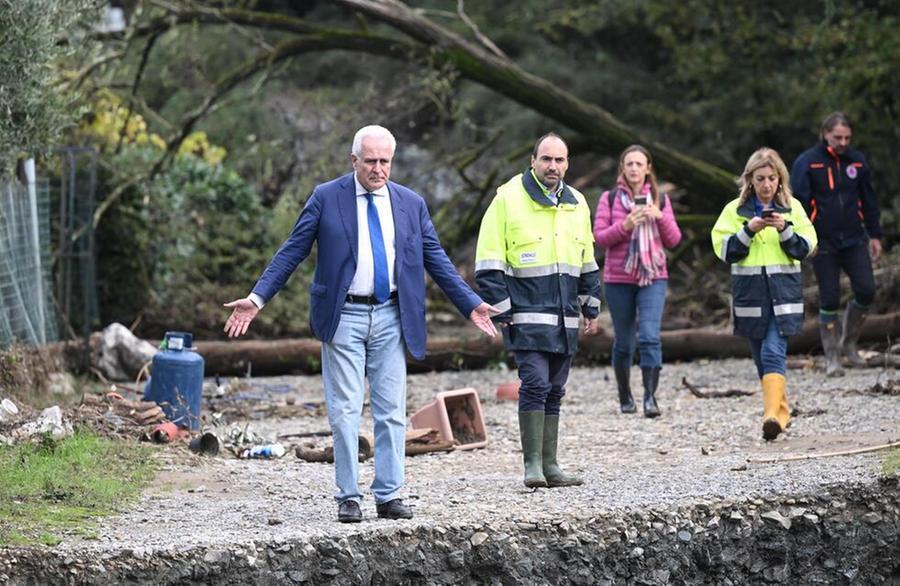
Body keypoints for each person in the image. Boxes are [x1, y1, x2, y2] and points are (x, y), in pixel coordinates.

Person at [223, 125, 498, 523]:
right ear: (354, 160)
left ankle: (388, 495)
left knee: (390, 412)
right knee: (346, 410)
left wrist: (470, 304)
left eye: (385, 161)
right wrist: (257, 297)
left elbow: (435, 258)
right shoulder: (326, 197)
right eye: (370, 161)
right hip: (344, 316)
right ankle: (348, 496)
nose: (378, 169)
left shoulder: (410, 203)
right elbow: (292, 251)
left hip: (391, 315)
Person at [475, 133, 601, 488]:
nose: (553, 167)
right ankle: (532, 466)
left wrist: (591, 303)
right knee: (534, 383)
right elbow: (487, 262)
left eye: (560, 160)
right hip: (526, 315)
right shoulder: (507, 199)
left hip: (565, 317)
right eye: (546, 159)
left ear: (567, 164)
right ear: (533, 161)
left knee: (556, 388)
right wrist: (502, 310)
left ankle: (551, 465)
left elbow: (586, 259)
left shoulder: (577, 203)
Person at [711, 148, 817, 441]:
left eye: (772, 178)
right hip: (751, 297)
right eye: (761, 178)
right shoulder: (734, 211)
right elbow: (725, 251)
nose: (767, 184)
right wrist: (748, 230)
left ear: (780, 179)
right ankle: (781, 410)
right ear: (750, 179)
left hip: (783, 295)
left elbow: (806, 247)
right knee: (761, 358)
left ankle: (770, 416)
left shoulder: (793, 208)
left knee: (773, 351)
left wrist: (784, 230)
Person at [790, 112, 883, 377]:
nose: (842, 142)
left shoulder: (857, 161)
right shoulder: (807, 162)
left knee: (866, 290)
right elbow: (798, 204)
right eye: (837, 137)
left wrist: (875, 235)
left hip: (854, 237)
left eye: (847, 138)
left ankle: (849, 344)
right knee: (829, 296)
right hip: (823, 241)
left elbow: (869, 199)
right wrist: (802, 239)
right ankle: (832, 357)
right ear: (825, 134)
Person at [593, 145, 682, 417]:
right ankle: (625, 394)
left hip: (653, 276)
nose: (633, 168)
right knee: (624, 341)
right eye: (628, 163)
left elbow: (674, 240)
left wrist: (660, 217)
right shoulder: (609, 200)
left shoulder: (660, 200)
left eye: (638, 164)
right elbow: (599, 238)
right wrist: (626, 225)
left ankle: (650, 398)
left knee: (650, 337)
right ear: (622, 168)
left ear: (648, 168)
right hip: (618, 279)